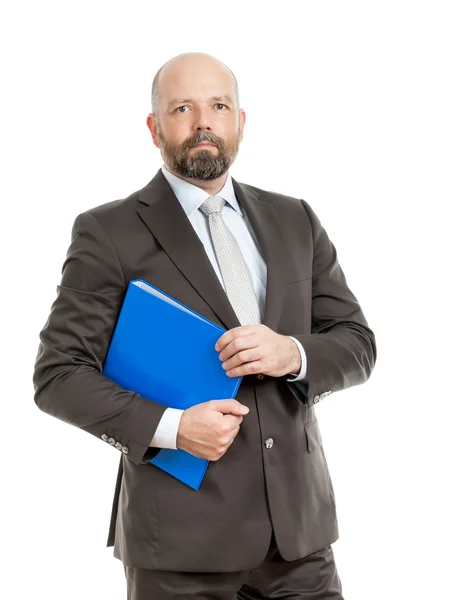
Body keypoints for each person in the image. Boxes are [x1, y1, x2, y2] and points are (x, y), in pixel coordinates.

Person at [33, 52, 376, 599]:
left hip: (298, 541)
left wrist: (292, 352)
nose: (203, 123)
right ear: (154, 127)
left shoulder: (296, 219)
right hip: (179, 547)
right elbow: (58, 377)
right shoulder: (108, 231)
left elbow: (357, 345)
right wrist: (172, 428)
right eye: (182, 108)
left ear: (241, 121)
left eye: (218, 106)